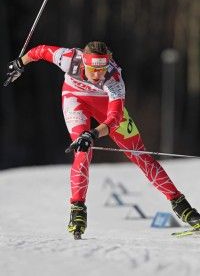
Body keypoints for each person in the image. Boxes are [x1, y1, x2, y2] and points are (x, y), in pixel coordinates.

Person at [6, 41, 200, 237]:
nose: (98, 75)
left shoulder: (114, 78)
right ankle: (78, 210)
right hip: (76, 99)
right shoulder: (69, 58)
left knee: (141, 155)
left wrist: (93, 133)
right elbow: (40, 51)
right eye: (93, 70)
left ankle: (183, 208)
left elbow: (114, 118)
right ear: (84, 63)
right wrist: (20, 64)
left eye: (102, 69)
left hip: (106, 107)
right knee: (82, 151)